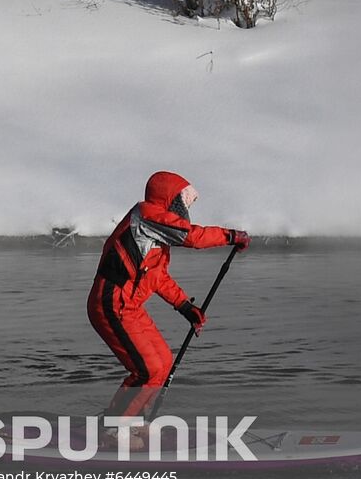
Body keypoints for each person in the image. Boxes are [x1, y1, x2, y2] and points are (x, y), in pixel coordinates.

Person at [87, 171, 249, 444]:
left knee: (162, 363)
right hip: (111, 304)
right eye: (182, 201)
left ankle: (128, 422)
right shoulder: (146, 216)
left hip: (130, 308)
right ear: (170, 199)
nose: (185, 209)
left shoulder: (155, 234)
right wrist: (232, 236)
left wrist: (185, 306)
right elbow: (192, 237)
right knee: (147, 370)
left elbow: (157, 277)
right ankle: (113, 431)